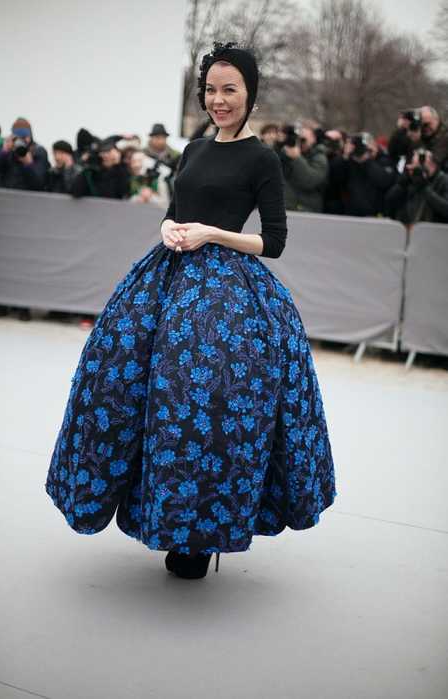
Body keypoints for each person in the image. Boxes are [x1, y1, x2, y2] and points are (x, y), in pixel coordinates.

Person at [45, 40, 337, 581]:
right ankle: (149, 511)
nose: (218, 100)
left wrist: (213, 233)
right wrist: (168, 227)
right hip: (166, 275)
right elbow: (175, 210)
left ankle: (198, 533)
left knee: (206, 398)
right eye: (210, 90)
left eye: (230, 90)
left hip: (228, 293)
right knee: (120, 383)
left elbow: (274, 242)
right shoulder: (194, 149)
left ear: (250, 94)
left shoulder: (262, 158)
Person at [385, 148, 448, 225]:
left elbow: (445, 209)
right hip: (408, 227)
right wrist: (401, 185)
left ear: (432, 163)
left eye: (420, 163)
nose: (417, 167)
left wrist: (425, 188)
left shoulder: (443, 180)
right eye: (414, 163)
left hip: (433, 228)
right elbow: (389, 202)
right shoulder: (410, 181)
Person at [278, 121, 329, 212]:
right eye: (298, 139)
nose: (301, 142)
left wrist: (297, 158)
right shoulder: (285, 153)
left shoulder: (319, 157)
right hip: (286, 207)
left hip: (306, 209)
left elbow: (310, 181)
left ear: (314, 138)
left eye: (303, 139)